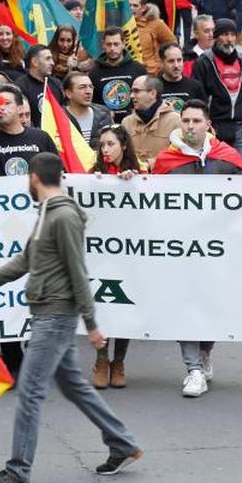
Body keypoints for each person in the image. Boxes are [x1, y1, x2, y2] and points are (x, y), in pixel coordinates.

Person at [0, 153, 143, 483]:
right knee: (73, 386)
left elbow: (79, 272)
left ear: (33, 177)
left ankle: (18, 471)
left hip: (55, 316)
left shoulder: (61, 217)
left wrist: (91, 323)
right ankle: (122, 443)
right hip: (50, 312)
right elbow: (25, 262)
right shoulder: (47, 214)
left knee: (29, 393)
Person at [153, 101, 242, 396]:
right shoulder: (166, 161)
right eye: (186, 121)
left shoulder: (226, 157)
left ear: (208, 126)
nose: (190, 126)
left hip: (220, 251)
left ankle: (205, 354)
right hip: (182, 251)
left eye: (196, 121)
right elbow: (149, 200)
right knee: (185, 305)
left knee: (214, 306)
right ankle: (192, 369)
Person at [89, 126, 143, 389]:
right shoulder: (93, 175)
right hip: (102, 254)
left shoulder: (139, 174)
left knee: (124, 307)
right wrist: (94, 184)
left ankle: (118, 362)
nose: (105, 150)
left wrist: (132, 183)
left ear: (123, 145)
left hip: (130, 254)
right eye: (102, 145)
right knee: (103, 307)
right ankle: (101, 360)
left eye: (110, 144)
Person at [191, 18, 242, 157]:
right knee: (216, 172)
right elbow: (198, 98)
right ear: (216, 37)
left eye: (232, 35)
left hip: (240, 128)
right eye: (224, 34)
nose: (229, 39)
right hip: (215, 128)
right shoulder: (204, 63)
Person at [88, 29, 147, 125]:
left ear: (123, 44)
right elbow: (90, 102)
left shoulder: (138, 69)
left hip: (135, 125)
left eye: (116, 44)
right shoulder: (94, 73)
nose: (112, 48)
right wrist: (103, 113)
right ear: (103, 44)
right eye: (108, 44)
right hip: (105, 127)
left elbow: (148, 96)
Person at [122, 75, 181, 170]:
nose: (132, 96)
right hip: (134, 182)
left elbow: (180, 156)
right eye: (132, 91)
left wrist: (150, 164)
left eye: (136, 91)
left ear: (153, 94)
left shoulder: (175, 121)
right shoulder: (126, 122)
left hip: (165, 181)